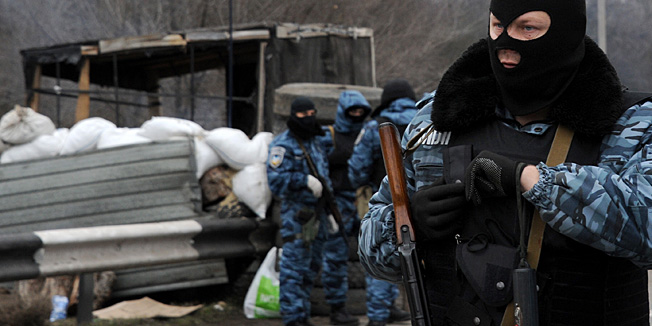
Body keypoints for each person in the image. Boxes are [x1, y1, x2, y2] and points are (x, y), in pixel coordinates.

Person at [358, 0, 652, 325]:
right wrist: (409, 224)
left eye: (527, 28)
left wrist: (532, 181)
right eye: (498, 26)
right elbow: (371, 256)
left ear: (566, 33)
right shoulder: (435, 119)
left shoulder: (630, 125)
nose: (505, 44)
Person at [348, 79, 417, 326]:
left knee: (379, 248)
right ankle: (392, 307)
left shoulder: (373, 127)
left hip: (382, 199)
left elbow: (357, 168)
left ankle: (379, 314)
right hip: (421, 201)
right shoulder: (424, 121)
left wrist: (363, 184)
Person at [267, 96, 332, 326]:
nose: (309, 118)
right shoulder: (283, 145)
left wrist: (330, 211)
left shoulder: (316, 140)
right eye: (303, 115)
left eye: (312, 113)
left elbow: (324, 174)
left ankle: (302, 315)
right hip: (297, 215)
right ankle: (293, 318)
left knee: (311, 267)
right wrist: (303, 180)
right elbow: (276, 182)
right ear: (294, 116)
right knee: (294, 269)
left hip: (318, 214)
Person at [318, 90, 372, 326]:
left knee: (374, 251)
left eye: (361, 111)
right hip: (336, 202)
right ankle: (337, 308)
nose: (357, 115)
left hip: (364, 199)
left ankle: (382, 307)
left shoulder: (367, 134)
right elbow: (318, 167)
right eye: (353, 111)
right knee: (335, 257)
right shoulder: (328, 135)